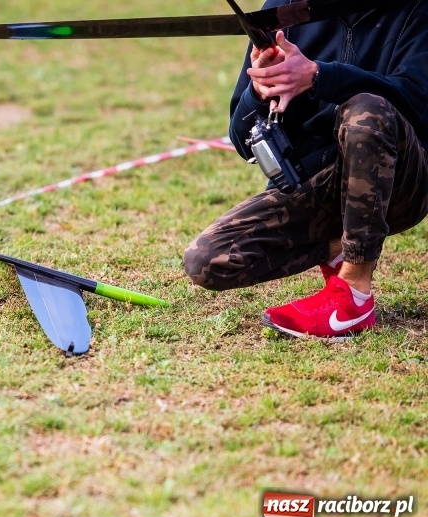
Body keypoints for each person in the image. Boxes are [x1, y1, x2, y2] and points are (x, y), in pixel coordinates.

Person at [183, 1, 428, 339]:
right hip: (317, 185)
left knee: (366, 109)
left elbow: (416, 102)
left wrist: (318, 77)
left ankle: (354, 295)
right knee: (208, 259)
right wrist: (260, 90)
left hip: (402, 182)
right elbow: (241, 140)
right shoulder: (282, 8)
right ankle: (337, 245)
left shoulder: (416, 10)